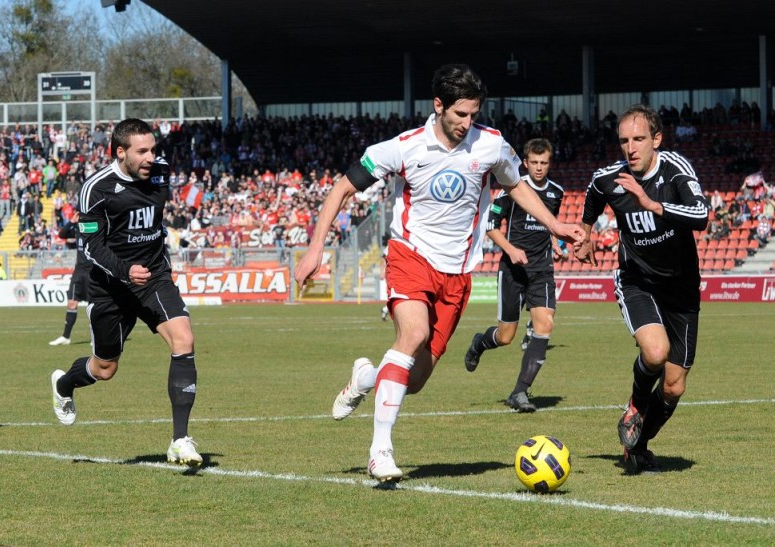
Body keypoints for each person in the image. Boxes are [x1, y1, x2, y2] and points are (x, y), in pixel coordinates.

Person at [294, 64, 583, 482]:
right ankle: (380, 451)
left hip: (457, 272)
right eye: (460, 114)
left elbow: (517, 184)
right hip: (411, 257)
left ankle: (366, 378)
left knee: (414, 380)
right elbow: (342, 187)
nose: (468, 123)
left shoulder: (492, 145)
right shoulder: (404, 147)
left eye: (473, 114)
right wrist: (316, 247)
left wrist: (556, 225)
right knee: (411, 336)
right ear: (438, 106)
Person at [50, 118, 202, 467]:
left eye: (153, 149)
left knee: (184, 340)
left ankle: (180, 439)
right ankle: (64, 385)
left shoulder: (160, 172)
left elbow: (155, 219)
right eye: (142, 151)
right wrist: (123, 270)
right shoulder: (96, 188)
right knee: (105, 368)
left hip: (153, 277)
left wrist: (152, 262)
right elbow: (89, 247)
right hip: (111, 287)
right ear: (121, 153)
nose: (152, 157)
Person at [575, 104, 709, 475]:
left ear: (656, 140)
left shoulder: (675, 169)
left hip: (681, 289)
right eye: (623, 141)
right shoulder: (611, 178)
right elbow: (592, 194)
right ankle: (635, 404)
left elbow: (701, 215)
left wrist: (653, 204)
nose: (630, 148)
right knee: (655, 352)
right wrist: (586, 235)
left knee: (674, 387)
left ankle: (638, 445)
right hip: (637, 281)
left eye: (638, 139)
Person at [463, 138, 565, 412]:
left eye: (544, 163)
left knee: (544, 325)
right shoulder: (512, 190)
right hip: (512, 270)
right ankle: (479, 343)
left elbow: (549, 225)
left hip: (541, 270)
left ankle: (519, 392)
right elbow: (491, 226)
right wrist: (510, 249)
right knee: (506, 336)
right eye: (534, 163)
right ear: (526, 162)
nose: (539, 168)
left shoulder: (557, 193)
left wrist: (556, 244)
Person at [49, 210, 92, 346]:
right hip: (79, 272)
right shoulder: (78, 228)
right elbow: (62, 234)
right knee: (72, 303)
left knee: (94, 306)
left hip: (93, 272)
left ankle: (96, 338)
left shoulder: (94, 226)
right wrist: (72, 222)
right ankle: (66, 336)